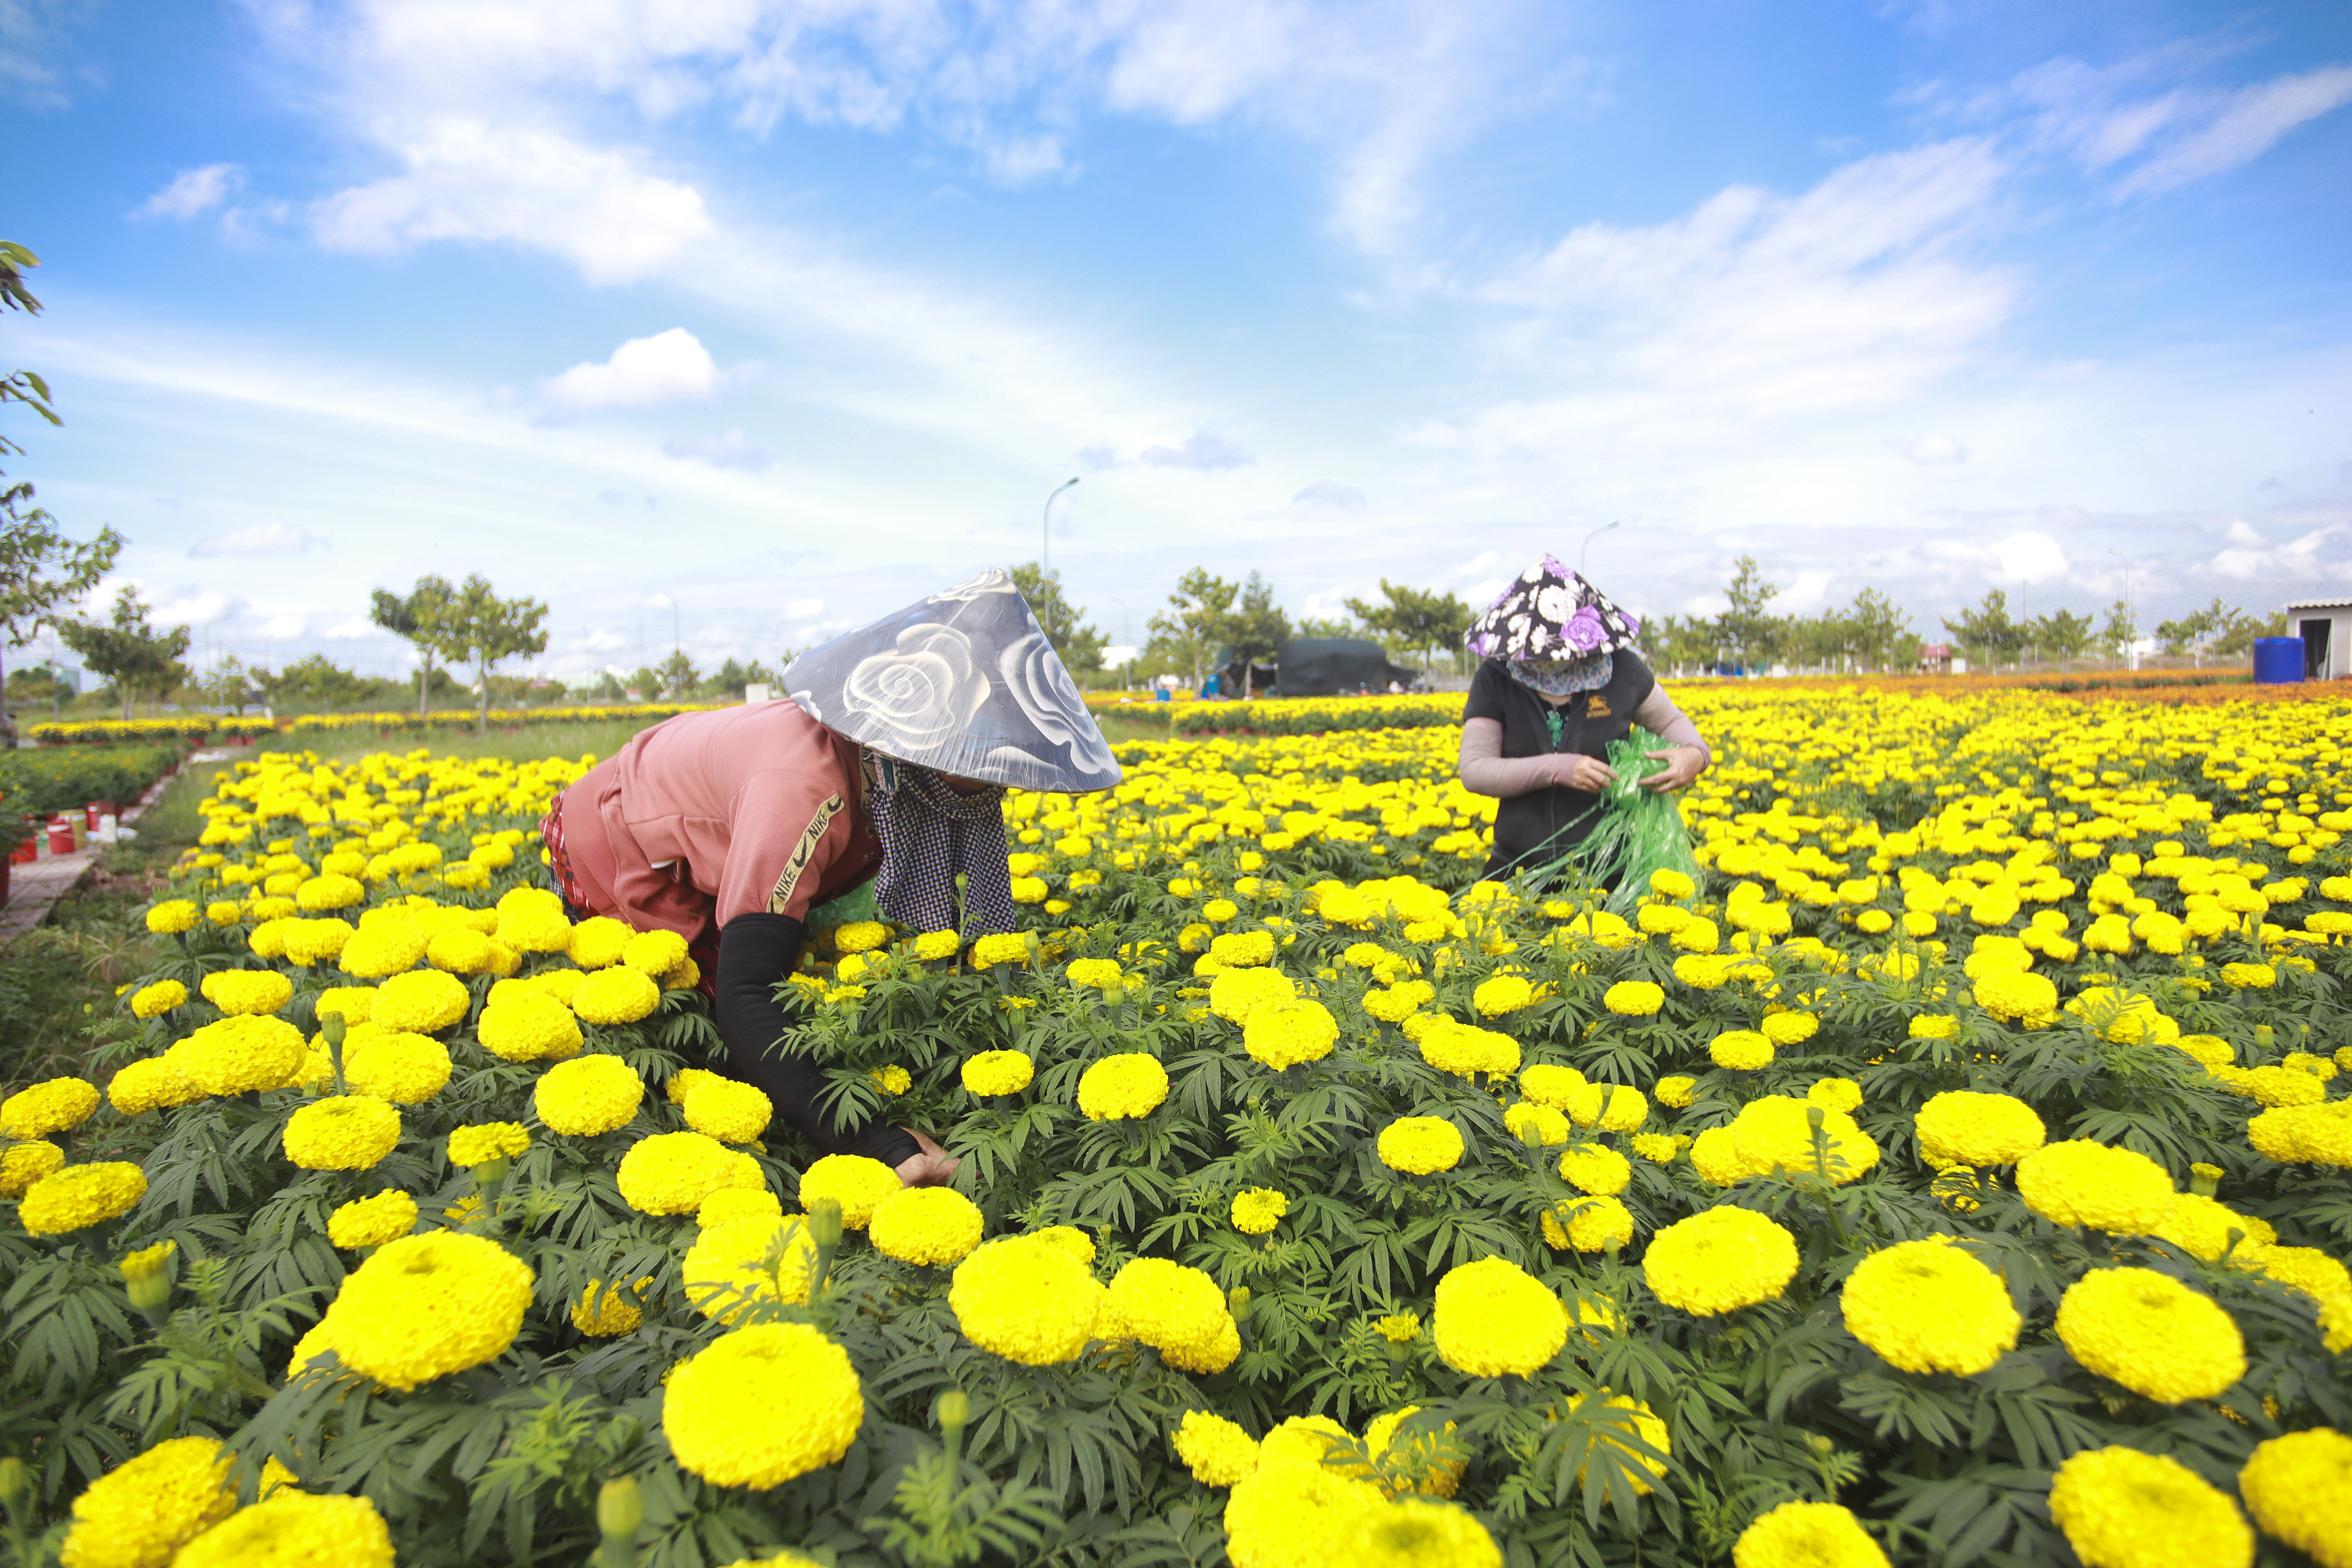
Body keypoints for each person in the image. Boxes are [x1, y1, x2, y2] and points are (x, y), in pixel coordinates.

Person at [540, 569, 1122, 1187]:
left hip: (710, 817)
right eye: (986, 758)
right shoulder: (801, 793)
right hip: (619, 842)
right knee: (701, 1031)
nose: (997, 783)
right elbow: (749, 994)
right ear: (925, 745)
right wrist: (876, 1143)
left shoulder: (884, 770)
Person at [1455, 555, 1710, 885]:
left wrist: (1694, 756)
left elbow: (1677, 727)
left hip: (1611, 868)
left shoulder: (1623, 670)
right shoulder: (1497, 677)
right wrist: (1558, 768)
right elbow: (1476, 771)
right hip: (1519, 866)